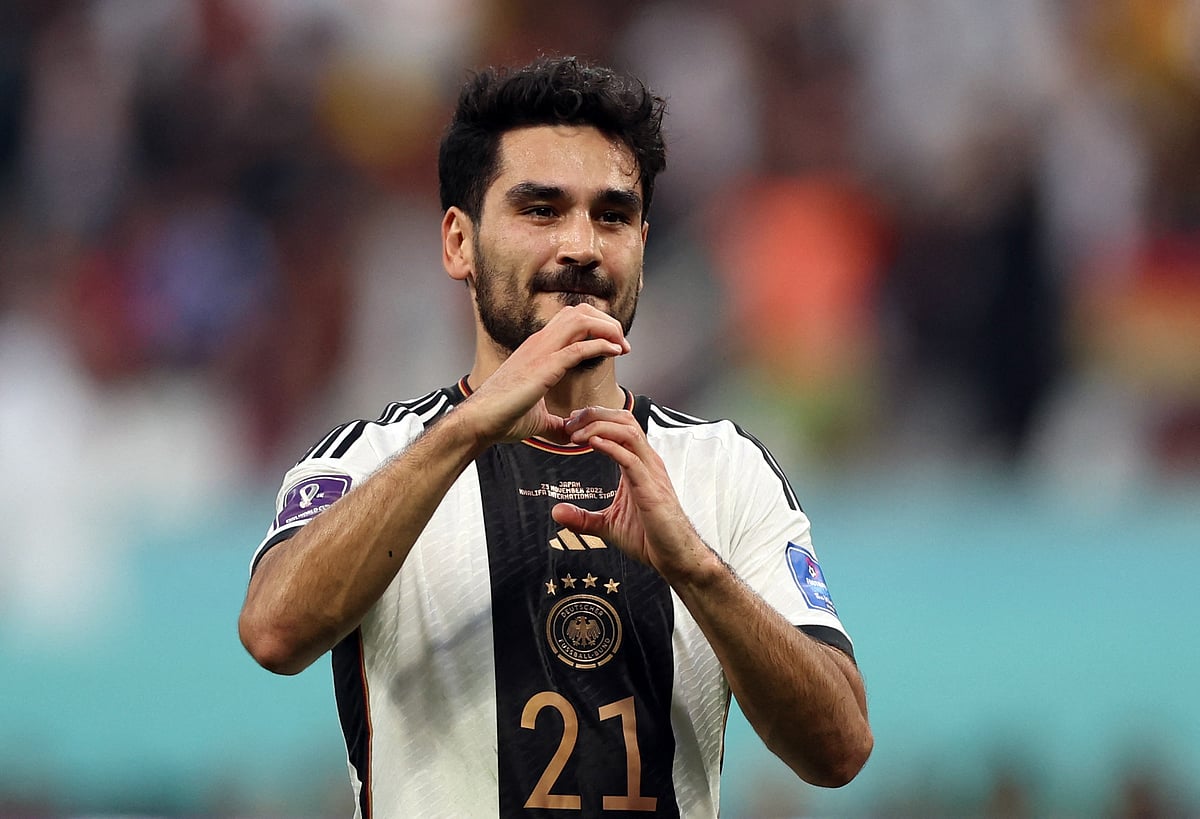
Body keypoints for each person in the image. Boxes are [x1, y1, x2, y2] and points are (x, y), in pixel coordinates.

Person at [238, 55, 873, 818]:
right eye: (540, 210)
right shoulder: (371, 458)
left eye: (612, 215)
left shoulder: (723, 469)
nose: (581, 245)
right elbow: (274, 630)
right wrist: (467, 429)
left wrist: (697, 572)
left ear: (643, 240)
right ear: (458, 244)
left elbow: (841, 748)